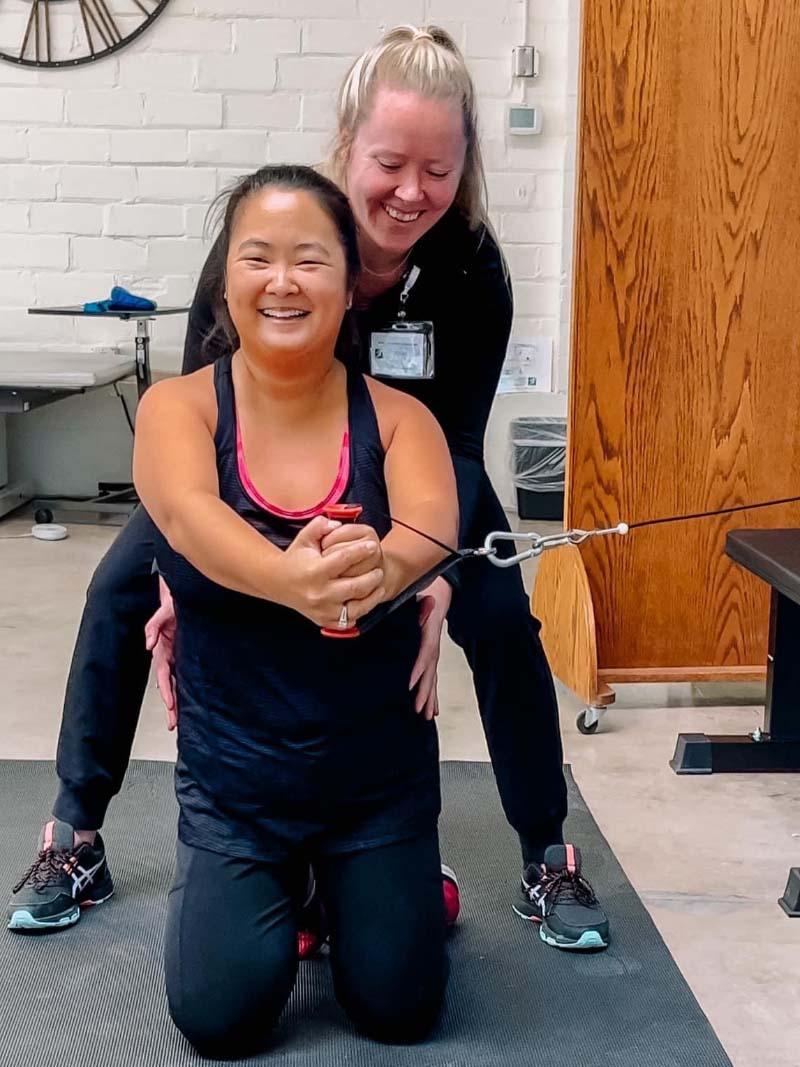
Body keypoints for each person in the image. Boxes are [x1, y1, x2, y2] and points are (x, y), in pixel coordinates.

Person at [8, 25, 608, 952]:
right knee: (116, 589)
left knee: (499, 613)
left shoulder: (472, 270)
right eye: (390, 162)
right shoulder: (267, 246)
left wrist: (431, 574)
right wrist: (184, 575)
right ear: (346, 145)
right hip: (260, 476)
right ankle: (75, 833)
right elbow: (191, 440)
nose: (412, 191)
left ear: (465, 169)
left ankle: (546, 852)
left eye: (438, 170)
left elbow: (452, 448)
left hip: (415, 483)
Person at [130, 164, 454, 1056]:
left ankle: (372, 883)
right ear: (226, 278)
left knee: (399, 1010)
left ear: (350, 285)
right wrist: (296, 580)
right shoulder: (176, 409)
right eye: (257, 257)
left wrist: (375, 568)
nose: (282, 281)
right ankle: (280, 886)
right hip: (237, 784)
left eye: (310, 260)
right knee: (220, 1019)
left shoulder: (399, 420)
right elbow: (191, 519)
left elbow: (430, 524)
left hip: (374, 781)